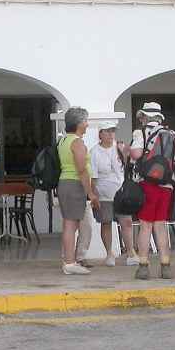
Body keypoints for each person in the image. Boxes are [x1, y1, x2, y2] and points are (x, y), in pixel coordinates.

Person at [130, 102, 175, 280]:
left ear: (145, 117)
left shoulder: (140, 133)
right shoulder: (172, 134)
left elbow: (136, 154)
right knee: (160, 225)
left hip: (147, 184)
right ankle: (165, 265)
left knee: (145, 225)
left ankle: (143, 266)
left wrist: (127, 150)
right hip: (167, 186)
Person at [90, 121, 139, 267]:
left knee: (127, 222)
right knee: (106, 222)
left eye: (113, 131)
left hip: (122, 193)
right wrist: (94, 195)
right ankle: (109, 253)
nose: (111, 134)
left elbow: (129, 164)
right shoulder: (94, 152)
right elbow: (93, 176)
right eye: (107, 131)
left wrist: (125, 153)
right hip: (104, 193)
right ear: (100, 134)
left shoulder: (119, 147)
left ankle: (130, 253)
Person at [57, 108, 99, 275]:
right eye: (86, 121)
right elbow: (82, 170)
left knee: (69, 223)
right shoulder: (77, 142)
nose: (87, 124)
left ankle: (69, 260)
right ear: (79, 123)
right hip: (74, 184)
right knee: (71, 224)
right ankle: (69, 262)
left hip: (65, 182)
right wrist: (90, 193)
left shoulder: (64, 141)